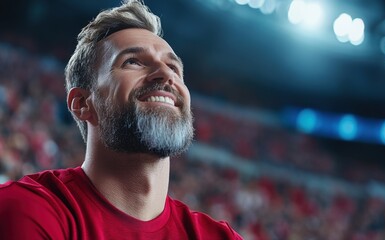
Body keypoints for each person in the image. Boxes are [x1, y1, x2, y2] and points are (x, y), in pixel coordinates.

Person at [0, 1, 243, 239]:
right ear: (83, 103)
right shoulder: (25, 210)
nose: (166, 74)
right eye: (133, 62)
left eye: (173, 66)